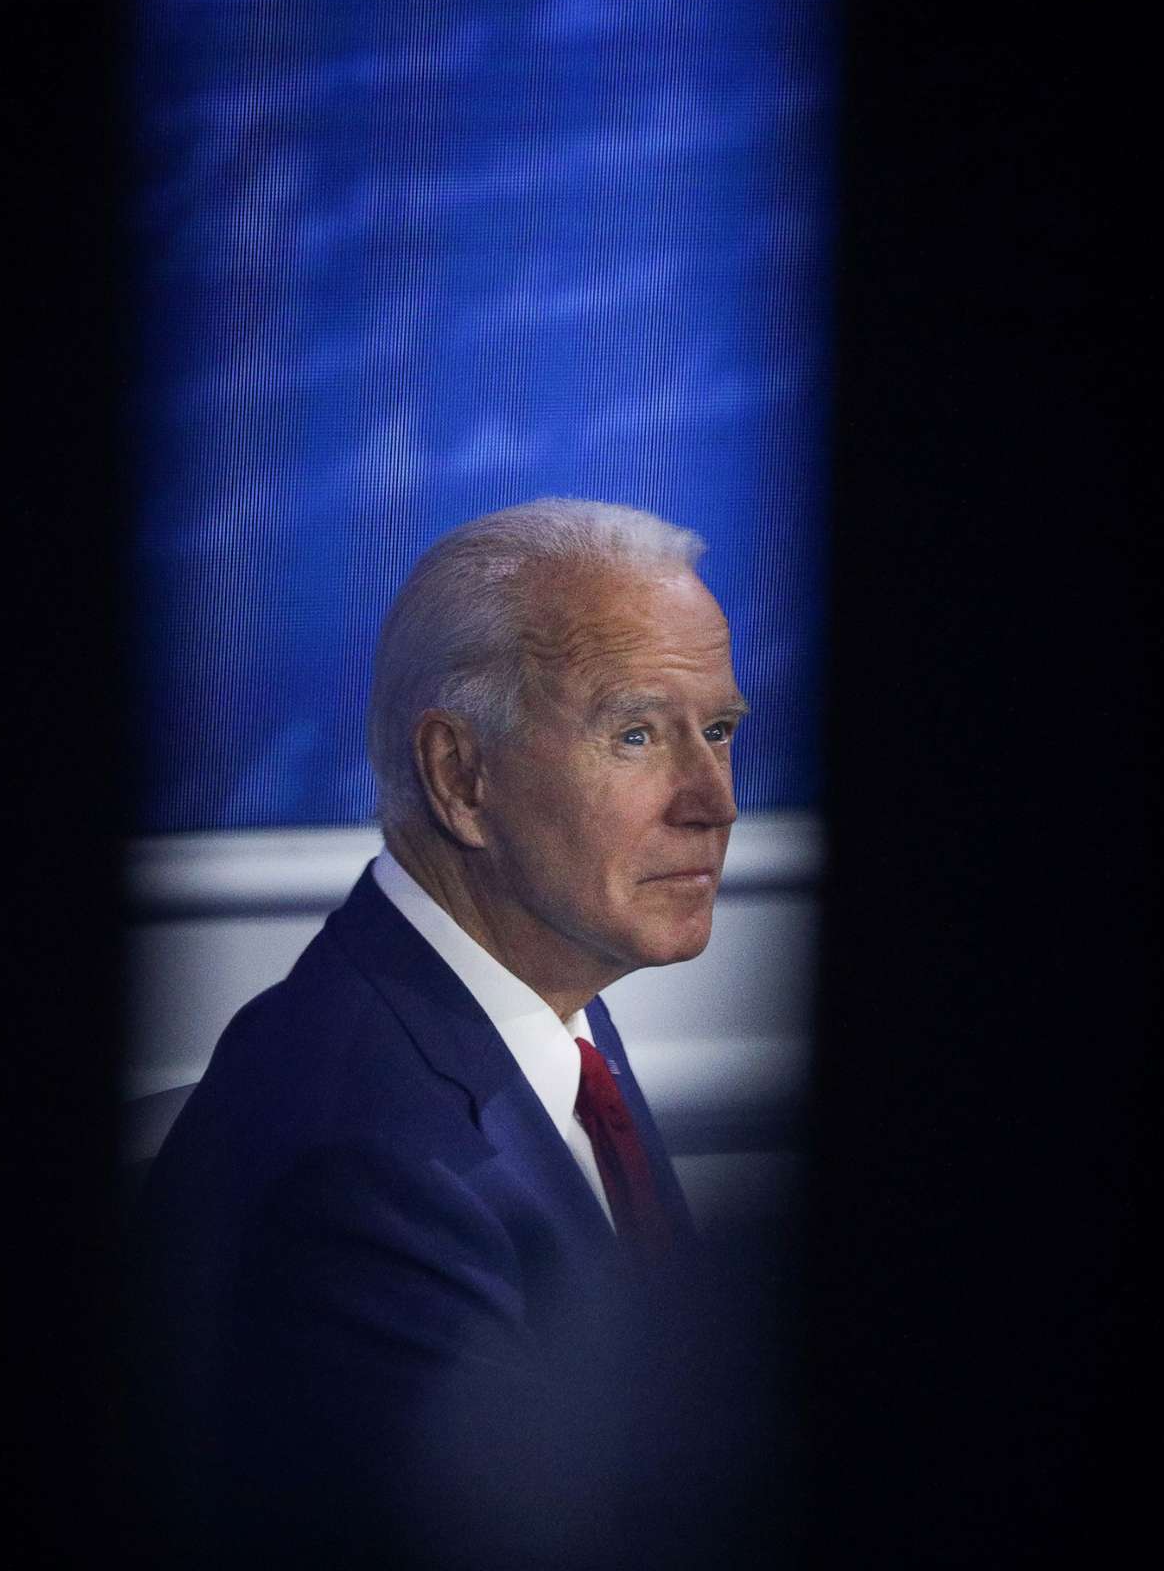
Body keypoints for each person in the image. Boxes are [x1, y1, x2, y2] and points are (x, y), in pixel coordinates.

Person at [135, 498, 746, 1567]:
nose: (712, 799)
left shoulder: (546, 998)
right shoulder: (365, 1171)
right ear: (462, 779)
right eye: (638, 734)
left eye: (722, 732)